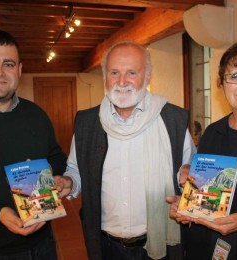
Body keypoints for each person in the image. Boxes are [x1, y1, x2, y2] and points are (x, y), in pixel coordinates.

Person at [55, 41, 196, 260]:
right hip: (107, 246)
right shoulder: (87, 123)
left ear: (147, 76)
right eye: (114, 72)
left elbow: (187, 173)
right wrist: (69, 182)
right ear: (105, 77)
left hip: (160, 244)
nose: (122, 81)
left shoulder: (172, 120)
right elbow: (75, 169)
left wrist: (187, 177)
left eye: (132, 72)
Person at [0, 29, 67, 259]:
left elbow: (56, 156)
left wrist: (52, 176)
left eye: (8, 64)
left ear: (19, 70)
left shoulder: (36, 114)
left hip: (43, 244)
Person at [168, 42, 237, 260]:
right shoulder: (212, 133)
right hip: (205, 250)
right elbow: (209, 197)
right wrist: (187, 205)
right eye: (235, 76)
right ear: (221, 85)